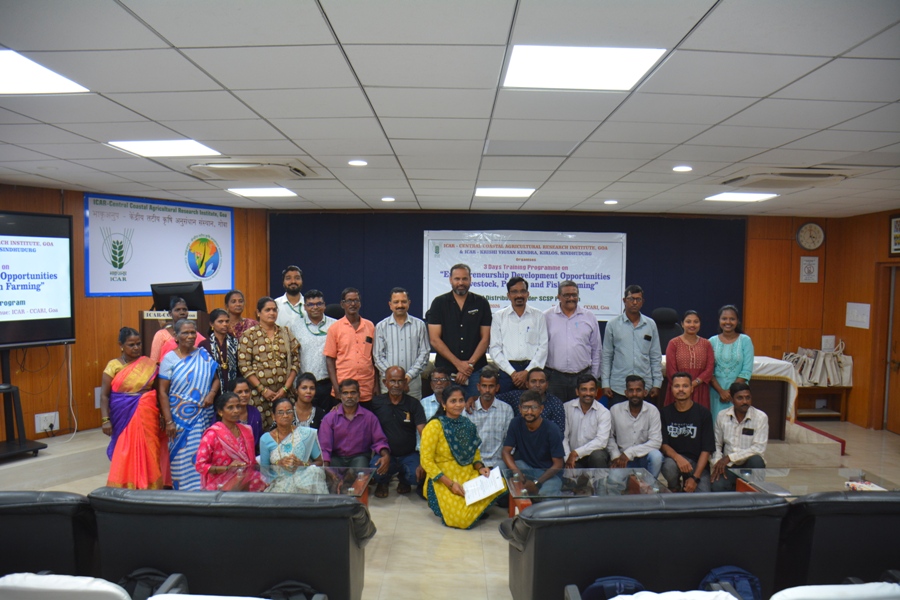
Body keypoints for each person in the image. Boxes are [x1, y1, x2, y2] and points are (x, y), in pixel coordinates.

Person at [420, 385, 506, 529]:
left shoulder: (468, 424)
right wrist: (451, 484)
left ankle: (471, 507)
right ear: (444, 403)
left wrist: (480, 468)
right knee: (462, 521)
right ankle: (472, 508)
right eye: (453, 401)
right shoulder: (434, 426)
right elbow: (426, 461)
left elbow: (475, 453)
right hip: (443, 478)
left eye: (461, 400)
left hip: (467, 473)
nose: (458, 405)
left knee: (499, 483)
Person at [100, 327, 167, 489]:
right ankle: (124, 486)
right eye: (131, 345)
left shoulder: (149, 364)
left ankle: (149, 487)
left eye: (138, 344)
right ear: (121, 345)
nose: (136, 348)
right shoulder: (113, 366)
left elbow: (158, 392)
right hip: (122, 414)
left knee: (149, 448)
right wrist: (105, 420)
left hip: (147, 413)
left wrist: (163, 416)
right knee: (125, 450)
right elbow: (104, 396)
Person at [158, 319, 220, 491]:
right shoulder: (169, 359)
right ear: (176, 336)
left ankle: (203, 491)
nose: (190, 336)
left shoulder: (203, 355)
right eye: (185, 333)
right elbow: (162, 392)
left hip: (203, 417)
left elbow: (216, 380)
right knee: (181, 458)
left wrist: (211, 394)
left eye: (193, 332)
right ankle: (184, 494)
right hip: (179, 420)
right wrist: (169, 421)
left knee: (204, 454)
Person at [428, 263, 492, 397]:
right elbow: (434, 339)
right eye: (457, 279)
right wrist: (459, 365)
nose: (461, 283)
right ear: (450, 280)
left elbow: (485, 338)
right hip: (446, 371)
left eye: (464, 279)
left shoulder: (481, 303)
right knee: (447, 407)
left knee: (474, 407)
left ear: (470, 279)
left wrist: (468, 367)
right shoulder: (439, 303)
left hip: (475, 371)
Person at [237, 296, 301, 431]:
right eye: (267, 310)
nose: (272, 313)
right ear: (258, 313)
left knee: (286, 431)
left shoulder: (286, 333)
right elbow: (244, 366)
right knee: (261, 433)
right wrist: (263, 390)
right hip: (258, 396)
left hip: (284, 394)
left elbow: (295, 362)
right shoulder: (249, 335)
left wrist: (285, 388)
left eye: (274, 310)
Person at [368, 367, 427, 498]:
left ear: (405, 382)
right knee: (375, 471)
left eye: (400, 381)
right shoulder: (376, 403)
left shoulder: (414, 404)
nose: (396, 385)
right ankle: (383, 482)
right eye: (392, 381)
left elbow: (423, 433)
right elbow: (361, 416)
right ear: (385, 383)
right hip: (385, 453)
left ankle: (404, 480)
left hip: (409, 454)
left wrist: (424, 461)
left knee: (416, 476)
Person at [601, 285, 662, 407]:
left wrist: (657, 383)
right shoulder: (612, 325)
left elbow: (655, 356)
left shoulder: (650, 325)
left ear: (642, 301)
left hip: (645, 387)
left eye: (638, 299)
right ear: (624, 300)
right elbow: (607, 356)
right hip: (618, 386)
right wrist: (605, 383)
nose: (634, 302)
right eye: (631, 299)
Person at [543, 280, 602, 403]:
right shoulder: (546, 317)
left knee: (580, 412)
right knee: (556, 411)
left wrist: (593, 377)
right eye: (567, 295)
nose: (571, 298)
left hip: (582, 376)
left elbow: (596, 350)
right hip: (555, 378)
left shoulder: (589, 317)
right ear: (559, 297)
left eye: (574, 295)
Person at [195, 392, 266, 492]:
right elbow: (200, 466)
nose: (236, 411)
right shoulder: (212, 435)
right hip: (220, 484)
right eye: (230, 407)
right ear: (220, 412)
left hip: (246, 480)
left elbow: (251, 462)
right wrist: (228, 468)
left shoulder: (246, 431)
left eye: (238, 406)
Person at [490, 277, 548, 393]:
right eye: (514, 292)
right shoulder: (499, 317)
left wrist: (527, 372)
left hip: (532, 371)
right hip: (507, 371)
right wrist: (512, 373)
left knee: (533, 404)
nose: (519, 295)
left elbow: (543, 347)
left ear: (528, 294)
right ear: (508, 295)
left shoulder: (538, 316)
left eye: (522, 291)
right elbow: (495, 349)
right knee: (506, 404)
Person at [259, 397, 328, 494]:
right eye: (280, 412)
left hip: (305, 483)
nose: (285, 415)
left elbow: (319, 462)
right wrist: (278, 464)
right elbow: (264, 472)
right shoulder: (265, 439)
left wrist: (303, 464)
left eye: (289, 412)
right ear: (273, 416)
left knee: (315, 472)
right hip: (279, 485)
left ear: (293, 414)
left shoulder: (305, 435)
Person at [502, 390, 565, 495]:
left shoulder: (552, 429)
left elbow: (558, 464)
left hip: (547, 473)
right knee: (500, 465)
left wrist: (537, 484)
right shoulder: (515, 423)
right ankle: (504, 499)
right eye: (525, 407)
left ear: (541, 409)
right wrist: (517, 472)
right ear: (520, 409)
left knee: (545, 495)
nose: (529, 412)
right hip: (525, 467)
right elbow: (505, 451)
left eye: (534, 408)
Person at [318, 379, 390, 470]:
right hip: (337, 458)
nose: (349, 396)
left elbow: (380, 441)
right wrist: (326, 470)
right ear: (340, 396)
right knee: (332, 472)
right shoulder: (329, 418)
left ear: (359, 395)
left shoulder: (369, 417)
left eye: (353, 392)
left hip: (359, 458)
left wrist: (386, 455)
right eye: (345, 393)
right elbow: (324, 447)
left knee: (361, 470)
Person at [660, 371, 714, 493]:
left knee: (704, 498)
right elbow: (663, 444)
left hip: (697, 464)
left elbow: (706, 450)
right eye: (677, 386)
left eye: (685, 386)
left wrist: (695, 478)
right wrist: (677, 457)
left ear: (692, 389)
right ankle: (674, 486)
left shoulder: (704, 414)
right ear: (671, 389)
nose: (681, 389)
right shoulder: (664, 413)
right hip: (674, 461)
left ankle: (689, 481)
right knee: (668, 466)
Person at [374, 287, 430, 399]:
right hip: (388, 385)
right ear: (390, 304)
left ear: (409, 303)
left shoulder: (419, 325)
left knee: (413, 410)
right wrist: (394, 379)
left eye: (403, 301)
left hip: (412, 384)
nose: (400, 305)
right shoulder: (381, 326)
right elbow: (378, 357)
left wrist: (408, 377)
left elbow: (424, 353)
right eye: (396, 302)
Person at [711, 382, 768, 492]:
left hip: (748, 464)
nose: (745, 402)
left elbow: (758, 448)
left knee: (757, 460)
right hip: (728, 466)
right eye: (740, 398)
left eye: (748, 398)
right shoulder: (722, 416)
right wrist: (718, 463)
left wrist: (730, 457)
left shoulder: (761, 417)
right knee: (716, 486)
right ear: (732, 399)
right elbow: (716, 444)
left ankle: (756, 494)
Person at [324, 287, 376, 402]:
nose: (353, 304)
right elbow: (329, 360)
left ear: (360, 303)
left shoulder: (370, 326)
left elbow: (373, 358)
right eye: (349, 301)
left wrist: (376, 385)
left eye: (356, 300)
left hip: (366, 387)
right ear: (342, 304)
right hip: (344, 388)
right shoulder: (334, 328)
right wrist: (336, 387)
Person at [608, 375, 663, 478]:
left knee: (656, 456)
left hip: (643, 457)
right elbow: (609, 437)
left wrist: (629, 453)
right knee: (614, 480)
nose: (634, 394)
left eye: (638, 390)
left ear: (645, 392)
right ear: (626, 393)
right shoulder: (615, 410)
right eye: (631, 390)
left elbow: (656, 442)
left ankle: (649, 485)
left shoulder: (653, 410)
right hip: (622, 459)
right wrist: (615, 456)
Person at [709, 304, 755, 424]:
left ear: (737, 321)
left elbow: (746, 371)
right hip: (716, 393)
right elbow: (709, 371)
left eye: (732, 319)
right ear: (719, 320)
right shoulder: (711, 341)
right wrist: (721, 391)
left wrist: (730, 392)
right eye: (724, 318)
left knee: (736, 425)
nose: (728, 322)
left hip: (739, 393)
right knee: (717, 425)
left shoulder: (745, 340)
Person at [294, 290, 336, 407]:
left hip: (329, 384)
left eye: (319, 304)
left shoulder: (335, 325)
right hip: (305, 385)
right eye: (311, 304)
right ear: (305, 307)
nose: (315, 307)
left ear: (324, 305)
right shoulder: (295, 327)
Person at [665, 310, 715, 409]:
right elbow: (671, 370)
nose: (692, 325)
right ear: (682, 324)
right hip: (679, 389)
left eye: (696, 322)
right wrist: (684, 386)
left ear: (700, 324)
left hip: (700, 389)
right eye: (688, 322)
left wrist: (694, 383)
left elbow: (709, 369)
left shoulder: (706, 344)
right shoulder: (673, 343)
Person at [466, 367, 514, 469]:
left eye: (491, 386)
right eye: (484, 386)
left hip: (498, 463)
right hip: (473, 463)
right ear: (478, 387)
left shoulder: (506, 410)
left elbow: (510, 442)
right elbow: (464, 442)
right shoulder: (468, 410)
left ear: (497, 388)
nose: (487, 390)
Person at [497, 367, 566, 436]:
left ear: (547, 385)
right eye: (533, 381)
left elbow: (559, 432)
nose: (537, 385)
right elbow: (494, 399)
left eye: (541, 381)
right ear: (527, 384)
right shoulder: (516, 396)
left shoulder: (555, 403)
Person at [562, 374, 611, 469]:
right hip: (572, 456)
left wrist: (576, 453)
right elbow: (564, 437)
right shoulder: (566, 408)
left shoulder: (604, 412)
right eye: (584, 389)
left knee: (598, 457)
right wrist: (568, 458)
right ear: (577, 391)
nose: (588, 393)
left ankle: (600, 479)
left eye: (591, 390)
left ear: (596, 392)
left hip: (594, 454)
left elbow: (601, 441)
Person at [150, 297, 207, 363]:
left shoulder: (194, 335)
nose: (182, 312)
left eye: (184, 309)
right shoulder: (161, 335)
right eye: (177, 310)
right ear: (170, 313)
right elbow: (153, 361)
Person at [208, 308, 239, 393]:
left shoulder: (235, 342)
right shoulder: (205, 344)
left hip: (233, 388)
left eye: (227, 321)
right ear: (211, 324)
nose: (225, 324)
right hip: (212, 389)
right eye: (220, 321)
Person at [228, 377, 262, 451]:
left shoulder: (255, 413)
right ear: (231, 394)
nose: (244, 395)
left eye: (247, 391)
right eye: (239, 392)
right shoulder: (225, 415)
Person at [274, 265, 306, 334]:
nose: (293, 281)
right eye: (288, 278)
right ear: (283, 282)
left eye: (297, 278)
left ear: (302, 281)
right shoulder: (275, 304)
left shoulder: (309, 305)